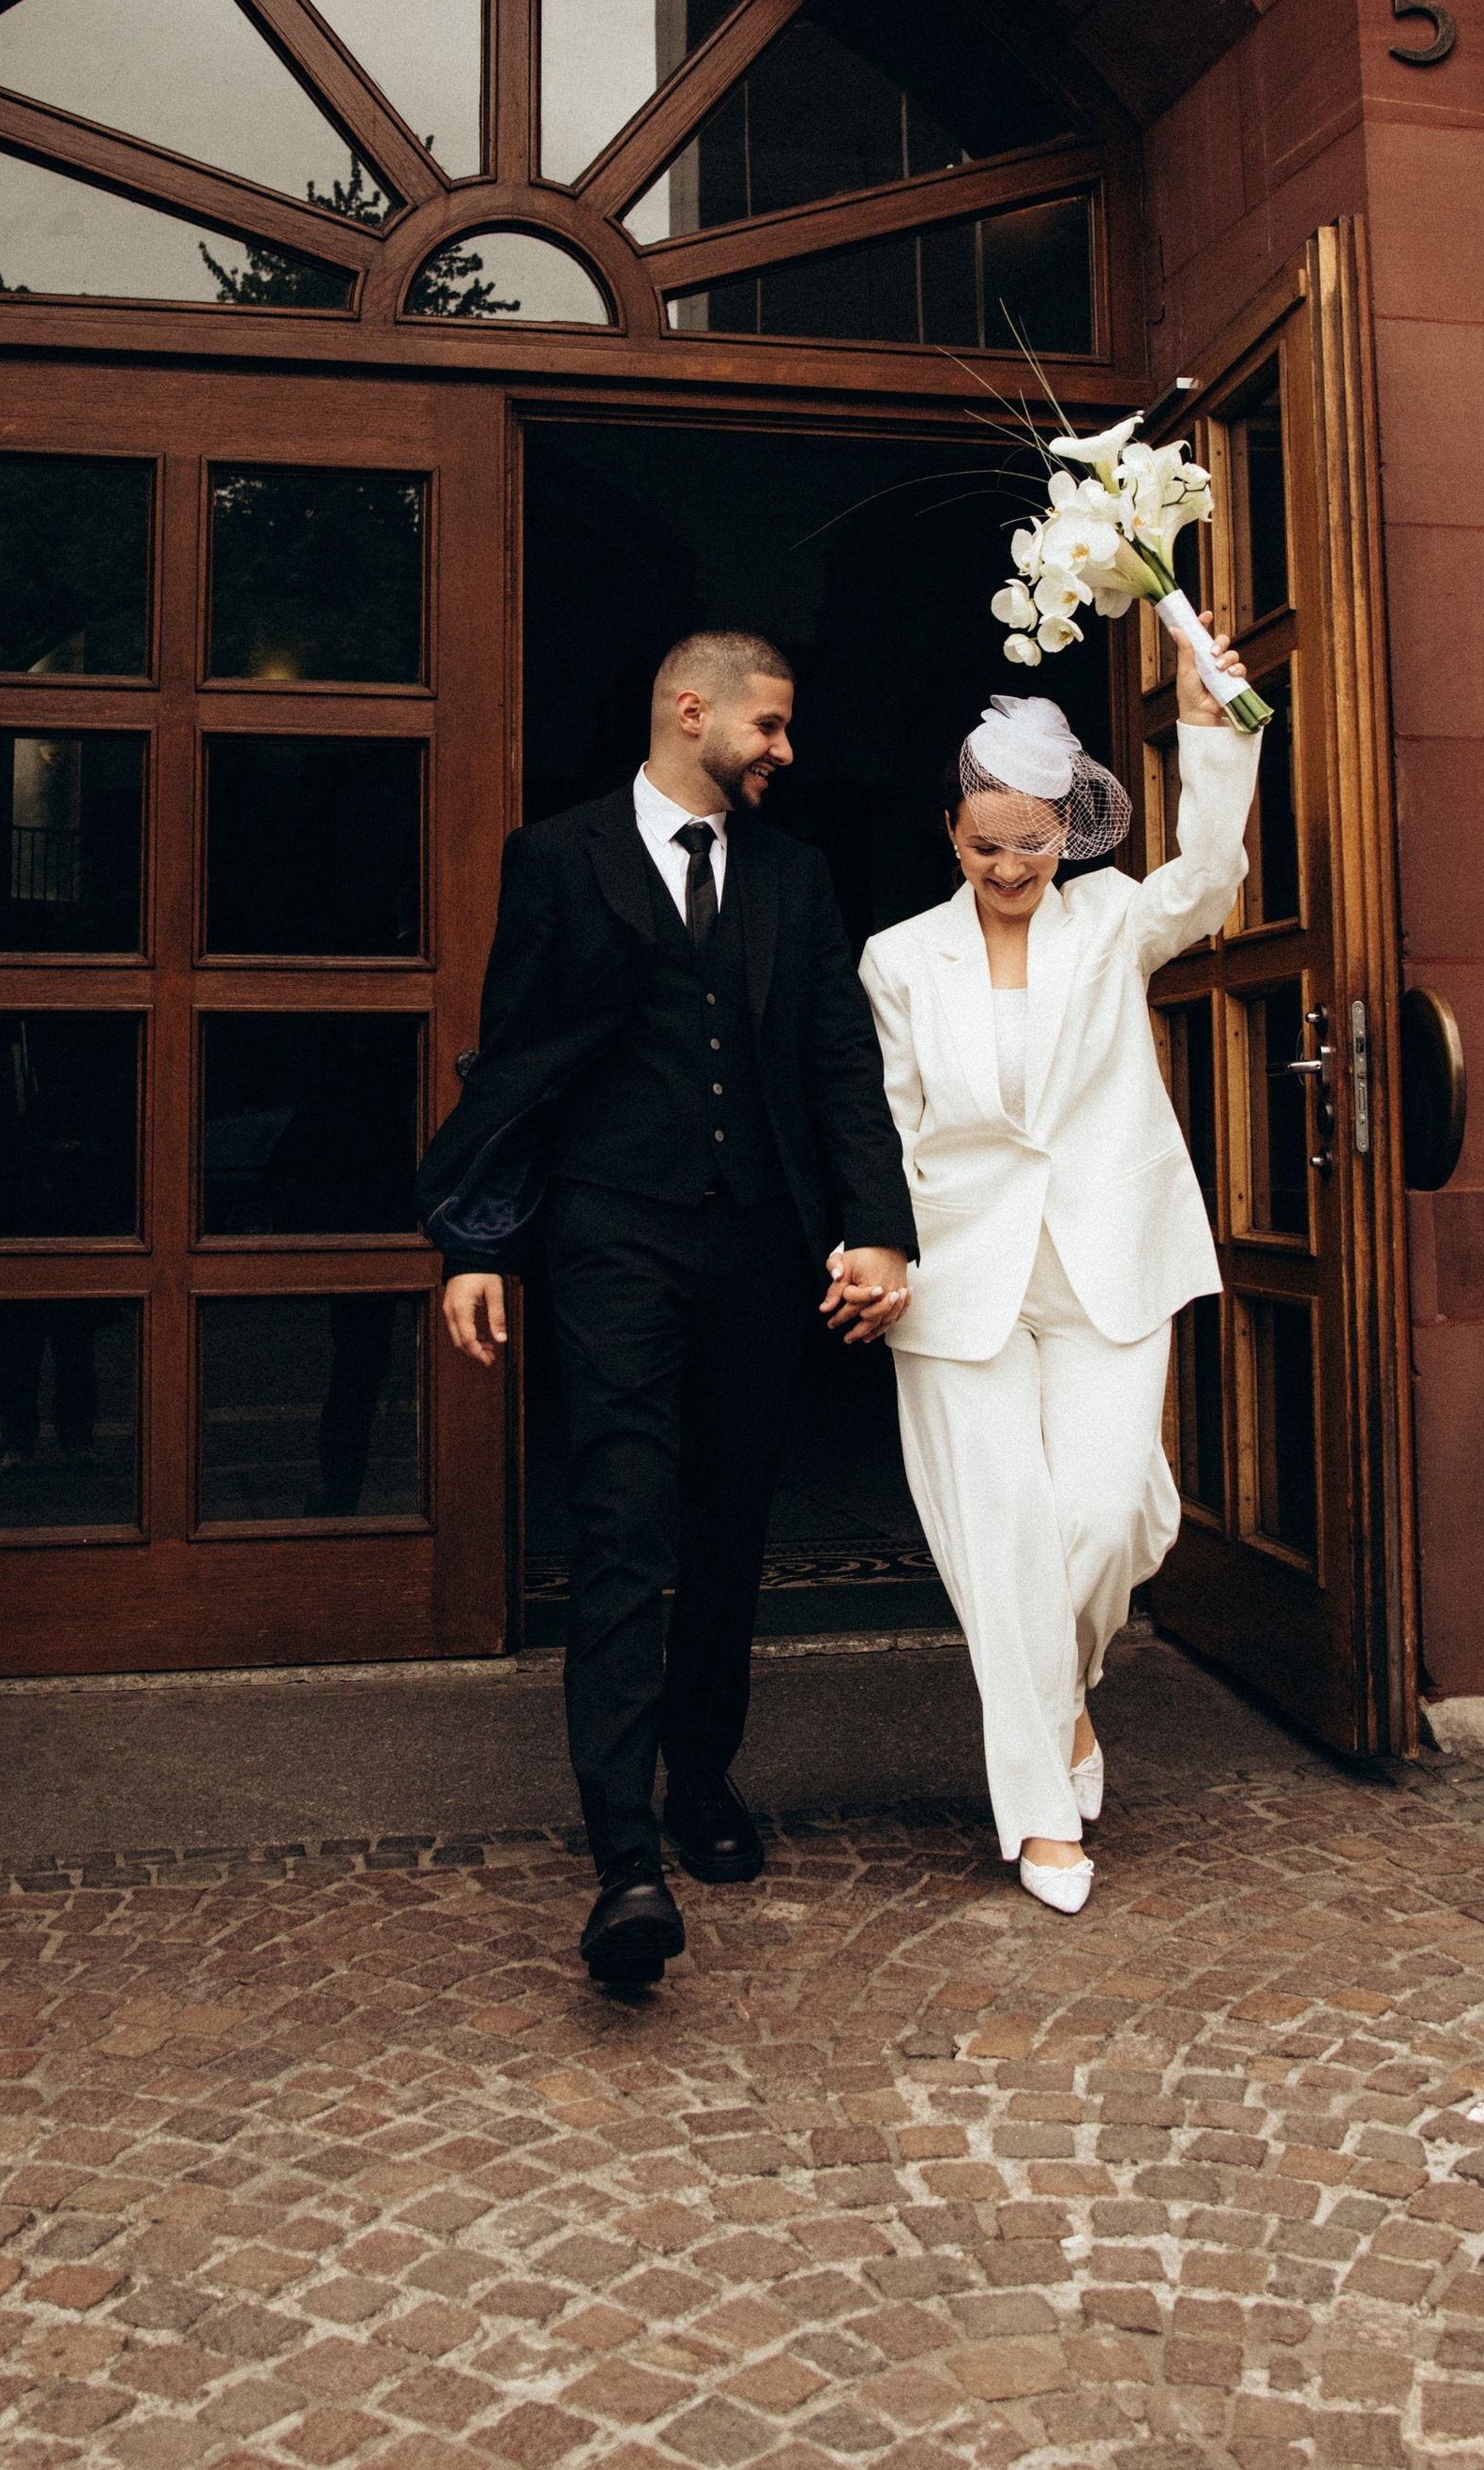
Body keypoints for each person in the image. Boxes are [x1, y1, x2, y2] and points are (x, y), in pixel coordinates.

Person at [425, 629, 914, 1987]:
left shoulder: (796, 875)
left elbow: (836, 1062)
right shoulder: (556, 856)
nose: (785, 750)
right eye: (770, 724)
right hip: (609, 1243)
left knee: (730, 1520)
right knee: (621, 1521)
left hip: (758, 1251)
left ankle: (702, 1775)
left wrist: (873, 1229)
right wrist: (475, 1239)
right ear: (690, 709)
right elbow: (514, 1060)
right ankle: (625, 1851)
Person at [858, 625, 1261, 1913]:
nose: (1011, 865)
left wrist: (1213, 728)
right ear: (951, 830)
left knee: (1107, 1516)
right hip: (961, 1274)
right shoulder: (897, 958)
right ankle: (1039, 1816)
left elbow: (1210, 878)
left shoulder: (1111, 921)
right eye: (987, 844)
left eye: (1034, 842)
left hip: (1107, 1256)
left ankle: (1069, 1694)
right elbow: (893, 1122)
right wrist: (870, 1250)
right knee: (1009, 1542)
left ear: (1068, 826)